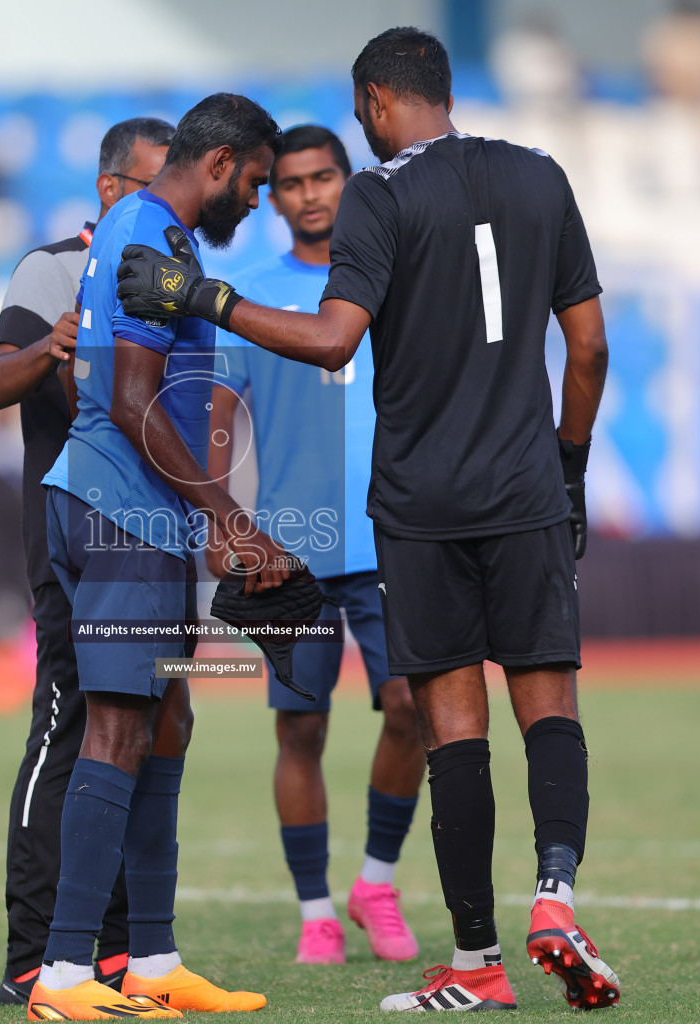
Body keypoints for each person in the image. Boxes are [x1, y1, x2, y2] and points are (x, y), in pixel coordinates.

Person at [117, 28, 618, 1012]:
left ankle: (477, 964)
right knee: (548, 700)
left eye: (358, 118)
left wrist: (205, 294)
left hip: (422, 506)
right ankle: (555, 894)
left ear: (381, 103)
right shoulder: (541, 179)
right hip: (526, 492)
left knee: (451, 719)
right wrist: (568, 466)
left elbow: (334, 335)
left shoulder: (381, 195)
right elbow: (589, 347)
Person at [29, 92, 286, 1020]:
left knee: (167, 716)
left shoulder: (140, 232)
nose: (255, 201)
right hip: (124, 515)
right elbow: (134, 395)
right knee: (117, 729)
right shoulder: (152, 238)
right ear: (218, 166)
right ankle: (63, 977)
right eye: (254, 181)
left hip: (130, 510)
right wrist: (227, 515)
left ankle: (151, 961)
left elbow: (96, 376)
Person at [205, 125, 424, 966]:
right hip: (289, 549)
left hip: (393, 536)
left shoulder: (390, 280)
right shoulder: (249, 292)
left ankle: (376, 880)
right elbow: (219, 416)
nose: (308, 194)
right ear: (278, 193)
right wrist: (226, 519)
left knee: (410, 706)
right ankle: (316, 912)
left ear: (347, 180)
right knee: (300, 733)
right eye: (291, 182)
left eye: (323, 177)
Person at [0, 116, 173, 1006]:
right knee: (69, 723)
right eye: (155, 184)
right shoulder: (47, 266)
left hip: (155, 537)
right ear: (110, 188)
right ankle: (31, 951)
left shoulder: (175, 275)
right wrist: (47, 347)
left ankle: (120, 950)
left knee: (144, 727)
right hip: (69, 538)